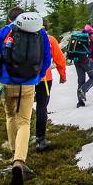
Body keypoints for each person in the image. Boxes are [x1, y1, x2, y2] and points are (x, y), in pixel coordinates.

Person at [0, 7, 51, 185]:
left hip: (7, 82)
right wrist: (37, 76)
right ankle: (19, 161)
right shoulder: (40, 32)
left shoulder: (5, 31)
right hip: (29, 83)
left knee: (10, 116)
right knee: (25, 121)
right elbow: (47, 58)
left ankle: (14, 155)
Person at [34, 19, 67, 151]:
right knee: (42, 107)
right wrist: (62, 75)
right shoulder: (50, 39)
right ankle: (40, 139)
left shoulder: (25, 39)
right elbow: (59, 59)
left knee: (22, 109)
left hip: (26, 79)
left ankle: (19, 139)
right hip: (44, 79)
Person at [75, 22, 93, 107]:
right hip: (87, 60)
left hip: (77, 60)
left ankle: (80, 102)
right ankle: (83, 90)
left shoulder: (82, 33)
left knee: (81, 80)